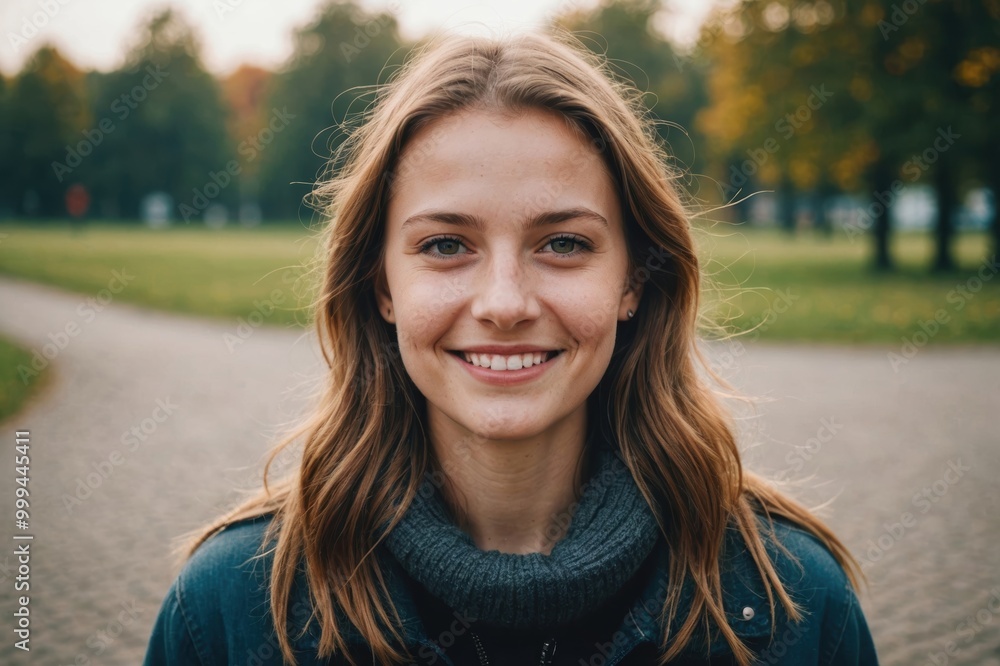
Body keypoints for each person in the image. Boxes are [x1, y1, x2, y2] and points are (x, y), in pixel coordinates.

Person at [143, 29, 878, 666]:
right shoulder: (228, 610)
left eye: (563, 243)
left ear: (633, 279)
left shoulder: (792, 602)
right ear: (380, 285)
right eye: (445, 245)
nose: (503, 304)